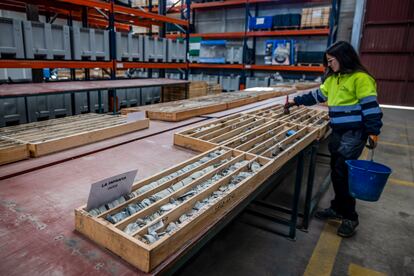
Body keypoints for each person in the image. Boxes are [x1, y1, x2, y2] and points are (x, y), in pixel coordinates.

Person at [285, 41, 383, 237]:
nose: (329, 65)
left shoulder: (360, 79)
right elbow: (317, 95)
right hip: (339, 131)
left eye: (331, 61)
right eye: (328, 61)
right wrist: (296, 101)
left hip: (354, 132)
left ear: (343, 57)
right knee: (336, 170)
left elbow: (371, 107)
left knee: (343, 173)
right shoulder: (333, 79)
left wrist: (373, 131)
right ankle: (338, 208)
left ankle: (350, 217)